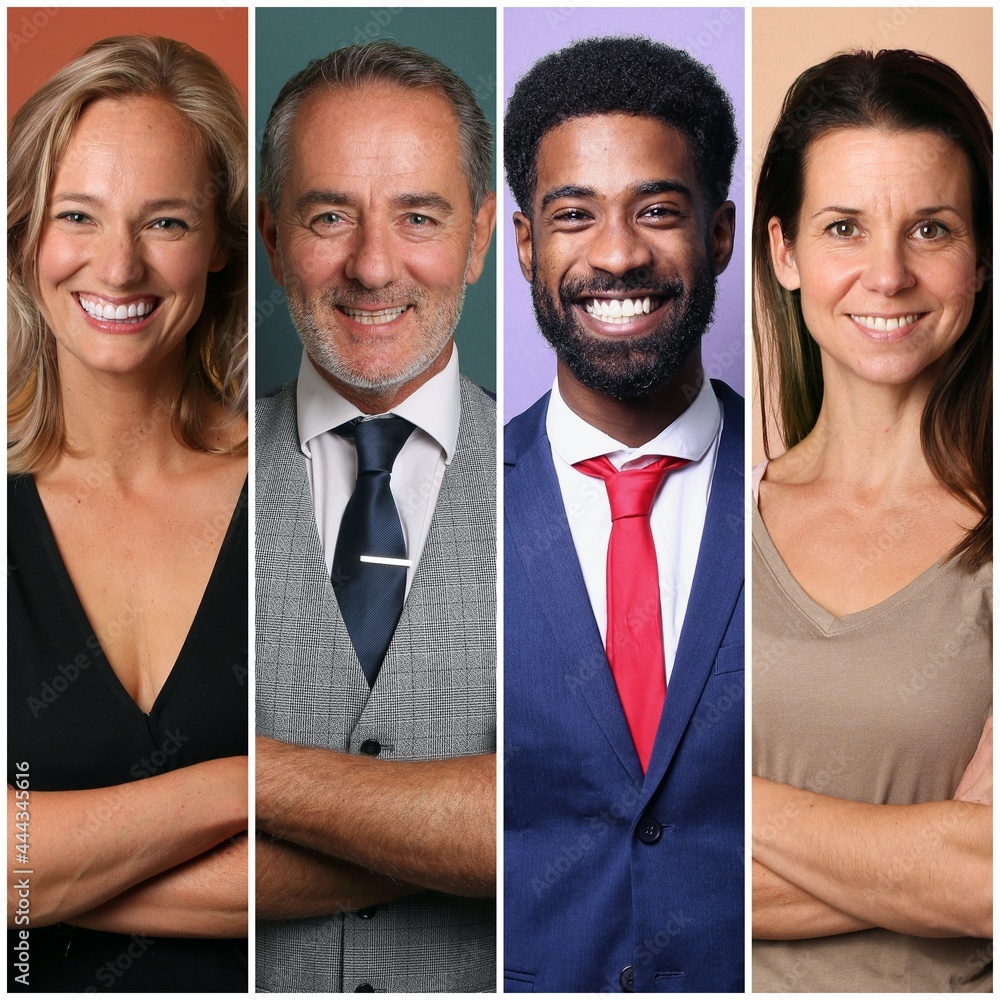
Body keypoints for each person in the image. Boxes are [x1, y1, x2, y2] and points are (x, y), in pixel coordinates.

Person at [7, 35, 249, 992]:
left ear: (223, 240)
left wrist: (48, 875)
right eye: (78, 215)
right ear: (26, 230)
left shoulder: (308, 492)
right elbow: (343, 822)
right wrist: (248, 787)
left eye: (165, 223)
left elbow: (411, 842)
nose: (118, 266)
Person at [254, 41, 497, 992]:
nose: (372, 265)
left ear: (479, 239)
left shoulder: (571, 486)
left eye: (419, 217)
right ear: (273, 238)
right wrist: (453, 834)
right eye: (329, 217)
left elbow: (586, 822)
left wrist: (247, 779)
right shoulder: (192, 476)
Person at [503, 36, 744, 993]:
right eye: (573, 215)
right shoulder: (451, 495)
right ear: (525, 244)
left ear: (720, 233)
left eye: (656, 210)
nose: (616, 254)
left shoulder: (788, 489)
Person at [751, 48, 992, 992]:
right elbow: (595, 856)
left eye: (930, 228)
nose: (887, 274)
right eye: (845, 226)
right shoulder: (687, 520)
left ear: (981, 258)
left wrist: (704, 802)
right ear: (786, 253)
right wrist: (929, 853)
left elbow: (990, 883)